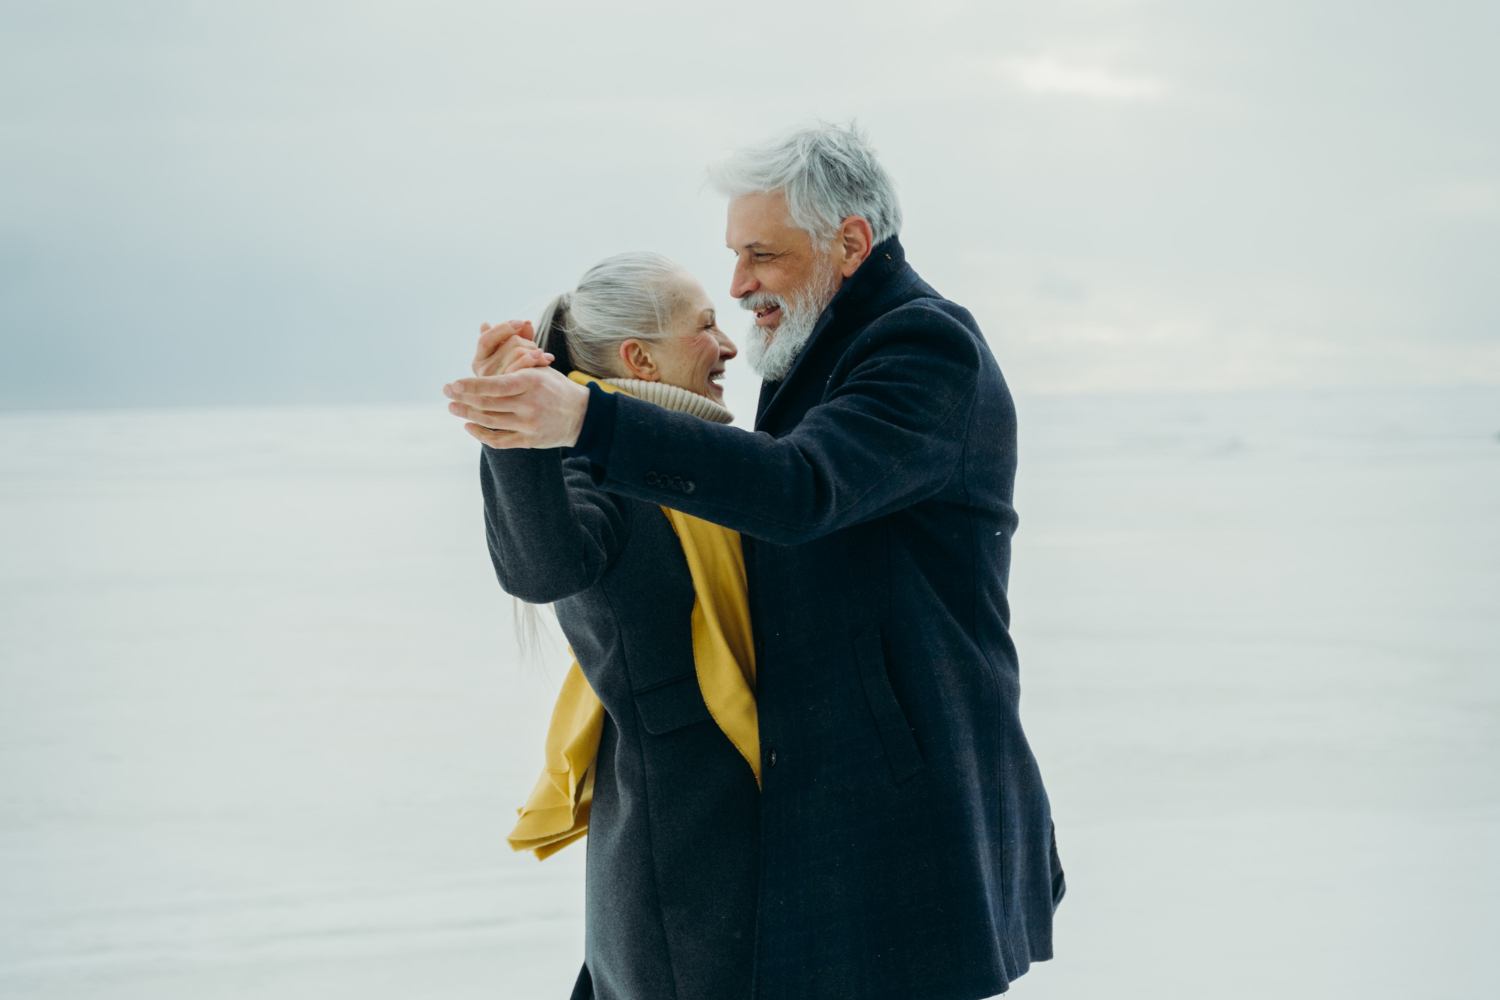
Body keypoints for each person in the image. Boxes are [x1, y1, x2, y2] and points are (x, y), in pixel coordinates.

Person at [448, 122, 1065, 1000]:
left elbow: (800, 491)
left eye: (761, 257)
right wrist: (523, 435)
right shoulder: (806, 353)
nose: (741, 292)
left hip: (905, 802)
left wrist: (585, 418)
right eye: (733, 263)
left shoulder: (923, 348)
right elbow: (552, 560)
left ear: (850, 243)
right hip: (777, 827)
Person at [475, 252, 760, 1000]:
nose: (728, 346)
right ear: (640, 357)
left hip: (729, 844)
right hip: (679, 860)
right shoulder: (592, 467)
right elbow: (544, 568)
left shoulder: (702, 461)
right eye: (704, 327)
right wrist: (512, 431)